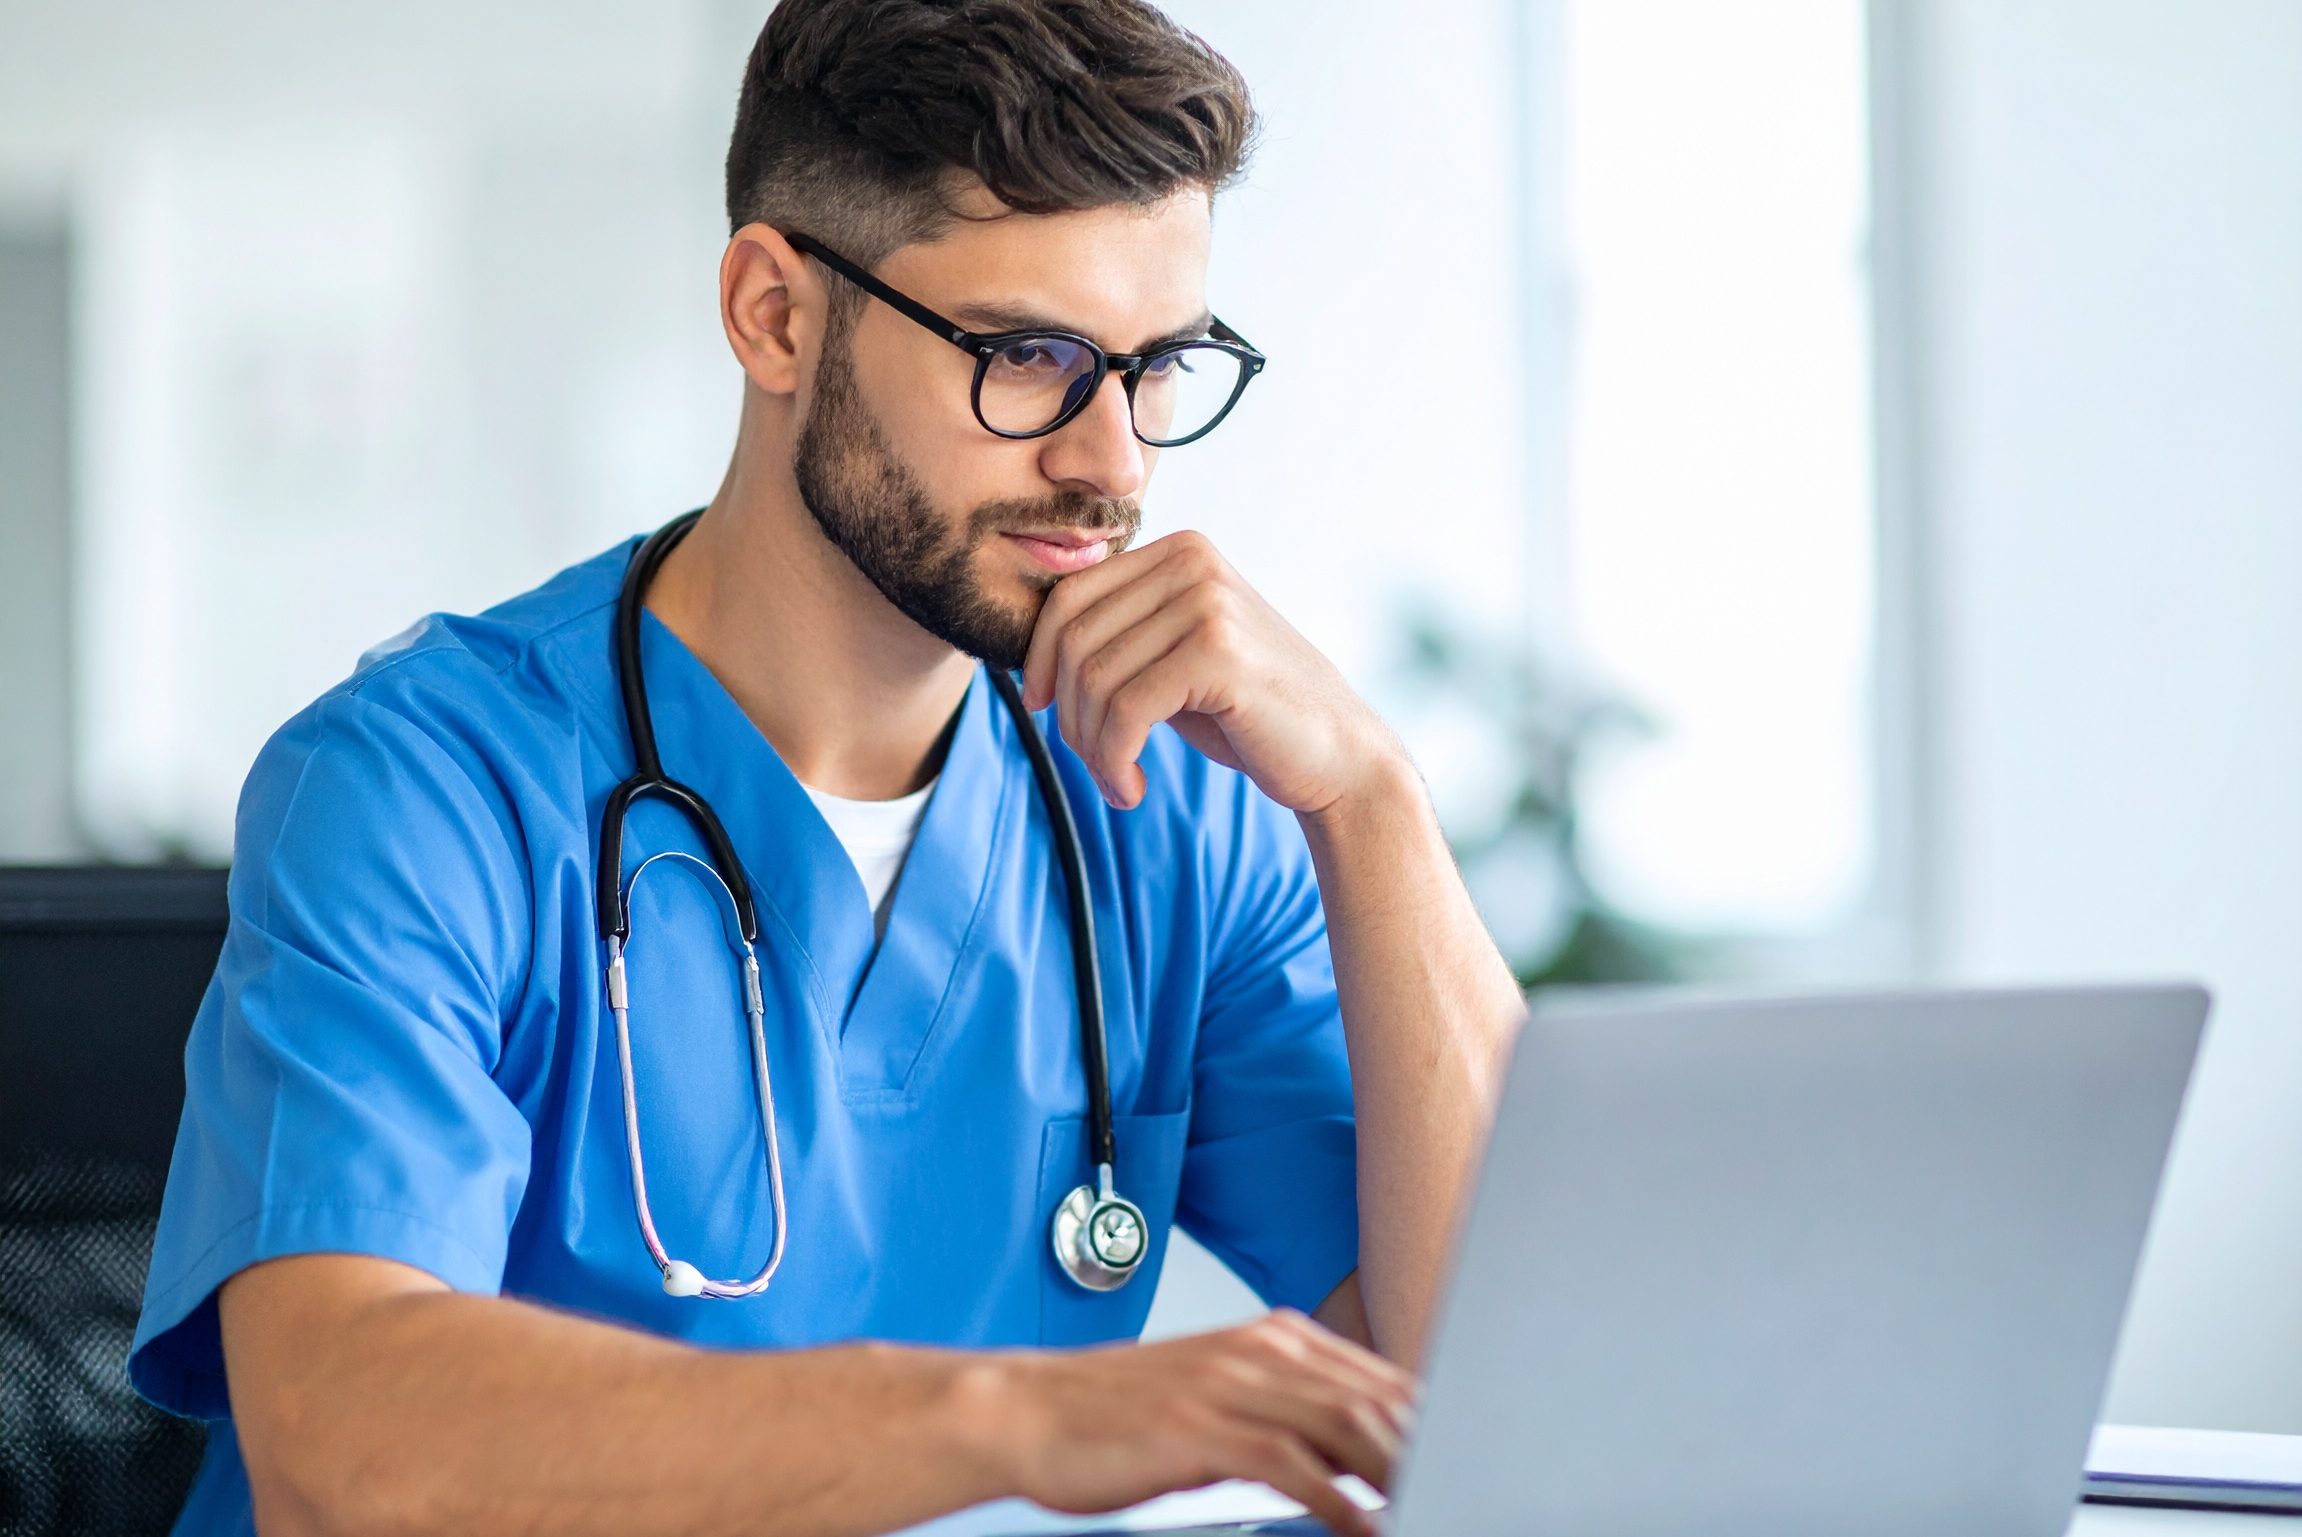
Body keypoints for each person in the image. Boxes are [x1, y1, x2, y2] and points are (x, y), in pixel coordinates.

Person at [127, 2, 1528, 1534]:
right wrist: (1014, 1419)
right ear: (775, 315)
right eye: (1030, 357)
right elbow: (347, 1442)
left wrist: (1371, 800)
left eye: (1157, 368)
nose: (1114, 461)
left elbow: (1509, 1392)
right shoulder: (424, 788)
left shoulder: (1166, 808)